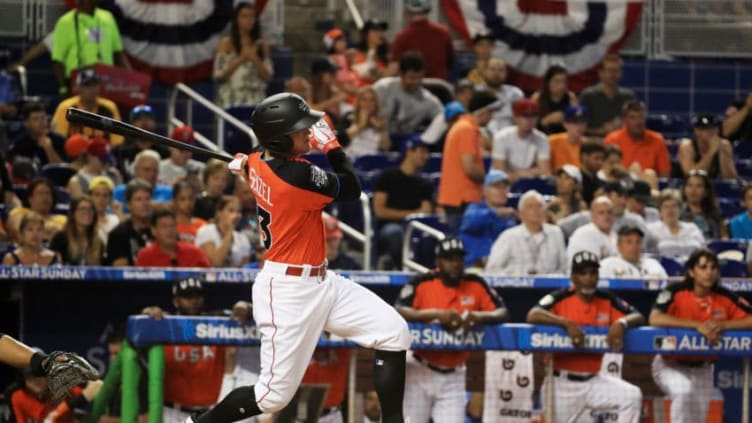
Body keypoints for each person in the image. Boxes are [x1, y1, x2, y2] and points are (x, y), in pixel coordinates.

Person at [192, 93, 410, 422]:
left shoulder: (259, 162)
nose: (309, 133)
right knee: (271, 397)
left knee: (394, 332)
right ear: (279, 139)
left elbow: (257, 162)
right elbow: (352, 188)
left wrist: (246, 164)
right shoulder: (295, 176)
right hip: (288, 293)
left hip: (323, 282)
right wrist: (332, 147)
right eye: (300, 130)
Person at [395, 237, 508, 423]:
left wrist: (477, 316)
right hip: (420, 368)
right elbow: (399, 309)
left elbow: (502, 312)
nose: (455, 264)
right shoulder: (423, 282)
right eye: (449, 259)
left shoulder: (475, 283)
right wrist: (436, 314)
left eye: (459, 258)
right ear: (438, 262)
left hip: (454, 374)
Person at [526, 250, 644, 423]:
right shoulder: (561, 296)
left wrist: (621, 323)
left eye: (593, 272)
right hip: (562, 384)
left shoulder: (606, 298)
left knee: (631, 396)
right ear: (573, 277)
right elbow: (533, 314)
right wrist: (566, 323)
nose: (588, 278)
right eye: (583, 273)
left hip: (594, 380)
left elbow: (638, 316)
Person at [649, 248, 752, 423]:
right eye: (703, 267)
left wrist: (723, 324)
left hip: (703, 368)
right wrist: (697, 326)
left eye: (713, 268)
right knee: (683, 391)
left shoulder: (724, 295)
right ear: (691, 272)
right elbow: (655, 318)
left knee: (697, 419)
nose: (709, 273)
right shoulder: (676, 291)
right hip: (670, 364)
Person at [140, 277, 254, 423]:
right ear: (176, 301)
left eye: (198, 295)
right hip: (171, 412)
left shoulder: (218, 322)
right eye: (188, 296)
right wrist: (147, 313)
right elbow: (141, 328)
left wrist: (243, 306)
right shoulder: (164, 324)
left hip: (208, 412)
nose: (194, 300)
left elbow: (249, 309)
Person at [437, 91, 498, 234]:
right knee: (462, 247)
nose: (491, 117)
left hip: (459, 198)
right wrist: (490, 181)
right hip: (462, 199)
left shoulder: (463, 126)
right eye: (490, 112)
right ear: (482, 112)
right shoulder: (466, 129)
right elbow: (469, 168)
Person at [373, 136, 433, 269]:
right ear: (409, 151)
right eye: (422, 151)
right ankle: (402, 269)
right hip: (390, 227)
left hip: (415, 228)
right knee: (395, 232)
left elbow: (426, 211)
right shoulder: (387, 176)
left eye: (427, 152)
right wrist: (411, 214)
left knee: (429, 236)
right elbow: (380, 211)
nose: (426, 156)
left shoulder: (425, 183)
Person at [50, 0, 131, 97]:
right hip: (78, 83)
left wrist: (133, 79)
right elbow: (57, 60)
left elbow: (118, 53)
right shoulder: (65, 22)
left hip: (106, 82)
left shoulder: (108, 18)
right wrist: (63, 88)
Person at [485, 190, 567, 275]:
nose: (536, 210)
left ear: (545, 211)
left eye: (539, 206)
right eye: (530, 207)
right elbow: (491, 270)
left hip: (552, 287)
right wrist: (512, 275)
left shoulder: (556, 233)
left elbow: (565, 268)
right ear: (521, 214)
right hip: (515, 287)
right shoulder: (509, 236)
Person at [213, 1, 273, 108]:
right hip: (231, 99)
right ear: (236, 19)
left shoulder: (261, 44)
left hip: (256, 100)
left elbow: (268, 77)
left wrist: (255, 59)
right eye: (244, 16)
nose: (249, 20)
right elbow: (219, 75)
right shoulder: (226, 43)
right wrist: (242, 58)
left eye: (252, 16)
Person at [373, 52, 443, 137]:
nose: (416, 82)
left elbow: (443, 118)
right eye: (412, 78)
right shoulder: (382, 88)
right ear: (401, 74)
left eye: (420, 78)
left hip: (405, 143)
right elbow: (361, 111)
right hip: (375, 136)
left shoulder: (428, 100)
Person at [459, 169, 518, 268]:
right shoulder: (474, 209)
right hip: (474, 267)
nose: (501, 191)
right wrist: (495, 212)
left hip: (502, 268)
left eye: (505, 187)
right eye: (496, 187)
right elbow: (472, 222)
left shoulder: (510, 218)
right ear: (485, 190)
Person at [50, 68, 124, 146]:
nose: (92, 89)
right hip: (73, 155)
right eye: (87, 85)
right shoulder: (66, 107)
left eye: (95, 84)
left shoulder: (109, 107)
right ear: (78, 87)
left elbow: (117, 141)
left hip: (103, 155)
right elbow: (59, 138)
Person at [11, 363, 102, 423]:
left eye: (41, 375)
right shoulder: (18, 396)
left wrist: (61, 409)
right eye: (30, 376)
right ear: (23, 379)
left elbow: (96, 388)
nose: (36, 381)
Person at [604, 100, 671, 178]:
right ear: (625, 120)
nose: (638, 122)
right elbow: (606, 170)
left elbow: (665, 174)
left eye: (641, 117)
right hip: (620, 183)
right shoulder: (612, 139)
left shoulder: (657, 140)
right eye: (633, 117)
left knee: (649, 173)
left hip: (649, 185)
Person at [389, 0, 454, 80]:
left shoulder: (402, 37)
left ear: (407, 11)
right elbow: (450, 61)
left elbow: (394, 69)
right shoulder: (443, 32)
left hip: (412, 87)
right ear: (428, 9)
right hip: (440, 87)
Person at [491, 99, 551, 181]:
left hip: (529, 184)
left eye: (533, 116)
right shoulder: (502, 137)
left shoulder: (542, 138)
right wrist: (533, 172)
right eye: (525, 116)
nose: (530, 120)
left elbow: (545, 172)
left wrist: (515, 174)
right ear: (516, 118)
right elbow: (500, 174)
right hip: (502, 185)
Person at [579, 55, 636, 137]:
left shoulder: (628, 97)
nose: (613, 74)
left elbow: (635, 126)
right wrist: (601, 131)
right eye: (609, 70)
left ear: (621, 74)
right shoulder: (588, 96)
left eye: (616, 70)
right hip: (594, 143)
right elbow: (579, 128)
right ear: (600, 73)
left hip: (621, 144)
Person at [136, 208, 210, 268]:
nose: (170, 230)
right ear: (154, 230)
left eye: (172, 226)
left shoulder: (194, 253)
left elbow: (209, 278)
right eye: (164, 226)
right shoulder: (145, 256)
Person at [646, 189, 705, 263]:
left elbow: (703, 252)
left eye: (674, 206)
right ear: (660, 211)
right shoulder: (651, 229)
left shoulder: (692, 228)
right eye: (666, 207)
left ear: (680, 209)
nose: (670, 210)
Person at [112, 105, 168, 180]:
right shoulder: (120, 152)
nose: (144, 123)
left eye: (148, 119)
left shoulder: (164, 152)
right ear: (132, 125)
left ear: (154, 123)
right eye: (139, 120)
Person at [106, 179, 153, 266]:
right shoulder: (119, 234)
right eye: (138, 200)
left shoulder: (161, 229)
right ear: (128, 205)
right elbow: (121, 272)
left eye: (147, 199)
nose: (144, 203)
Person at [195, 196, 251, 268]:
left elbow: (244, 270)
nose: (236, 215)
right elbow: (216, 263)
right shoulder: (206, 232)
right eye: (231, 211)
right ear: (219, 212)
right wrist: (229, 232)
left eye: (239, 211)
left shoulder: (243, 238)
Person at [676, 113, 737, 180]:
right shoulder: (687, 146)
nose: (711, 132)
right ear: (697, 131)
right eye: (706, 129)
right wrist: (711, 151)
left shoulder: (724, 144)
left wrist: (723, 154)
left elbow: (731, 178)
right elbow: (691, 176)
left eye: (713, 128)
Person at [6, 177, 67, 243]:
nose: (45, 197)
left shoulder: (62, 219)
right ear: (30, 199)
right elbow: (19, 233)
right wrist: (52, 232)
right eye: (40, 193)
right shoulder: (19, 212)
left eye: (48, 193)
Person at [49, 197, 104, 265]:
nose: (87, 213)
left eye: (91, 209)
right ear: (73, 213)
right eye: (82, 209)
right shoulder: (60, 238)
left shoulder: (98, 243)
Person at [8, 101, 66, 166]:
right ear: (26, 123)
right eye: (35, 119)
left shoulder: (60, 140)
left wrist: (49, 148)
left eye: (43, 118)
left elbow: (62, 171)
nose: (41, 122)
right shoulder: (19, 145)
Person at [476, 58, 524, 134]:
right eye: (492, 69)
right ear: (485, 71)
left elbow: (522, 119)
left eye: (501, 70)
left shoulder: (515, 93)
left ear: (506, 73)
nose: (496, 73)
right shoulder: (475, 92)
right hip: (481, 136)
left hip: (508, 136)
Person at [599, 225, 667, 278]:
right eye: (629, 242)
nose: (635, 246)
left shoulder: (653, 265)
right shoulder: (606, 265)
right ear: (618, 246)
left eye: (638, 242)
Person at [566, 196, 618, 263]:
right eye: (601, 212)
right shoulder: (584, 234)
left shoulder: (615, 235)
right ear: (592, 215)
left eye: (609, 212)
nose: (606, 216)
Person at [531, 65, 578, 135]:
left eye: (564, 82)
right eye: (557, 81)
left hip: (564, 139)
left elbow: (578, 126)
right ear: (548, 82)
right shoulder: (537, 98)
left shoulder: (571, 98)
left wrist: (568, 118)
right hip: (542, 139)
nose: (562, 86)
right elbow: (529, 126)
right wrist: (546, 121)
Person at [680, 170, 727, 239]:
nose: (693, 190)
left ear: (706, 192)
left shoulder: (715, 213)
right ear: (684, 189)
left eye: (699, 186)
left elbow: (724, 237)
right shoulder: (677, 212)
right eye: (689, 185)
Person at [344, 87, 390, 158]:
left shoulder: (380, 121)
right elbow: (341, 141)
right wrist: (361, 125)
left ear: (376, 103)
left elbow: (385, 147)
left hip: (371, 161)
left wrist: (381, 130)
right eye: (364, 100)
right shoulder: (349, 117)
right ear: (358, 102)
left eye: (372, 100)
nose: (368, 104)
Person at [548, 105, 588, 171]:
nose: (579, 126)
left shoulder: (588, 145)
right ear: (565, 124)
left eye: (582, 122)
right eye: (575, 122)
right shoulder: (552, 141)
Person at [353, 19, 390, 84]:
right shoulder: (355, 54)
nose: (380, 34)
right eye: (376, 31)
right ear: (366, 34)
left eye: (381, 30)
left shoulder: (386, 55)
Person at [172, 179, 206, 244]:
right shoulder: (169, 226)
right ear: (175, 201)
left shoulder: (203, 226)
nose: (188, 203)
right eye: (182, 199)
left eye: (190, 198)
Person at [89, 175, 121, 244]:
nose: (101, 199)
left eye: (105, 195)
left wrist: (119, 213)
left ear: (110, 199)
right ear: (90, 197)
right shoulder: (84, 220)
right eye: (97, 195)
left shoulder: (116, 220)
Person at [579, 141, 606, 205]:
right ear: (584, 157)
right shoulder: (575, 181)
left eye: (602, 159)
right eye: (596, 158)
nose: (600, 162)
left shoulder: (602, 184)